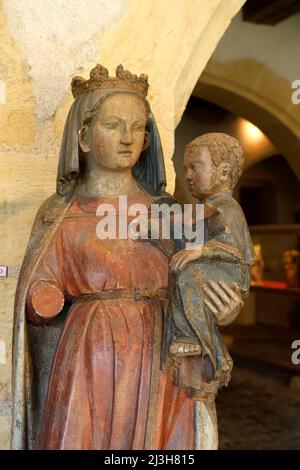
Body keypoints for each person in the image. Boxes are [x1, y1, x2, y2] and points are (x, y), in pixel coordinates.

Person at [11, 66, 244, 450]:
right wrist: (42, 298)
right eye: (114, 125)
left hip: (160, 361)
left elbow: (204, 281)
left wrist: (225, 306)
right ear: (83, 137)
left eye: (138, 128)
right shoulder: (59, 212)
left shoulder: (168, 211)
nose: (127, 138)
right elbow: (36, 299)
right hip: (89, 357)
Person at [168, 133, 255, 391]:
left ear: (223, 171)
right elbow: (182, 226)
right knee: (183, 275)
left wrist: (200, 252)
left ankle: (212, 352)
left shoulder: (226, 206)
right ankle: (200, 343)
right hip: (210, 269)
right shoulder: (210, 205)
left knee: (187, 276)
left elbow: (236, 249)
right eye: (185, 168)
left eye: (195, 166)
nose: (188, 175)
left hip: (228, 273)